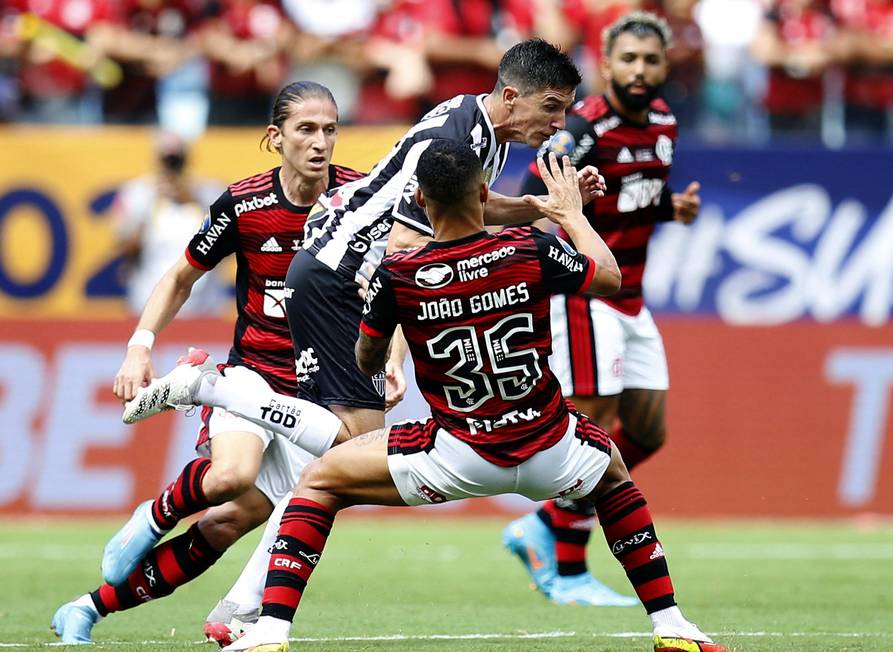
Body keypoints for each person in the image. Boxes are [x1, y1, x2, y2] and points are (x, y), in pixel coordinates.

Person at [142, 141, 727, 652]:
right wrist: (570, 213)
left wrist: (394, 339)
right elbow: (608, 277)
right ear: (482, 193)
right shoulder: (529, 249)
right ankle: (672, 624)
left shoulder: (399, 275)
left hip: (455, 456)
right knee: (616, 475)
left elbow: (368, 359)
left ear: (418, 202)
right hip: (549, 445)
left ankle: (268, 631)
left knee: (319, 483)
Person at [117, 37, 603, 643]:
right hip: (338, 279)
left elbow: (465, 210)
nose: (559, 124)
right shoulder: (458, 140)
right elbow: (405, 250)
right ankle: (214, 390)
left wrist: (544, 208)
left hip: (340, 273)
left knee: (333, 464)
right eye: (552, 108)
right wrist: (402, 339)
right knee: (356, 447)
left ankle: (239, 610)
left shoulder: (478, 126)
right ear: (511, 96)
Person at [49, 81, 368, 645]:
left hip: (314, 395)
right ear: (276, 138)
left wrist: (386, 356)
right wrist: (140, 344)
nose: (321, 143)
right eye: (306, 130)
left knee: (226, 523)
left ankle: (88, 608)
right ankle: (154, 515)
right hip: (250, 376)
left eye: (330, 129)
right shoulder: (245, 204)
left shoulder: (360, 199)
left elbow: (391, 279)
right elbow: (179, 276)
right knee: (230, 476)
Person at [503, 12, 702, 608]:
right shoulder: (587, 124)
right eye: (628, 60)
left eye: (650, 60)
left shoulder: (665, 120)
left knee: (647, 431)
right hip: (587, 290)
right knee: (593, 428)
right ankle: (566, 570)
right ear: (606, 64)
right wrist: (567, 182)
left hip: (632, 297)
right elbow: (544, 170)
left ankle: (541, 521)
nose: (639, 71)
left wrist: (671, 209)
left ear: (665, 65)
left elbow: (633, 196)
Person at [112, 130, 225, 316]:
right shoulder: (137, 193)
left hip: (202, 303)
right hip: (149, 299)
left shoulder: (210, 192)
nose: (172, 167)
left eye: (177, 161)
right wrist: (152, 202)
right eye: (167, 160)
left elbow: (228, 242)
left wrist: (192, 198)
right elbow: (124, 246)